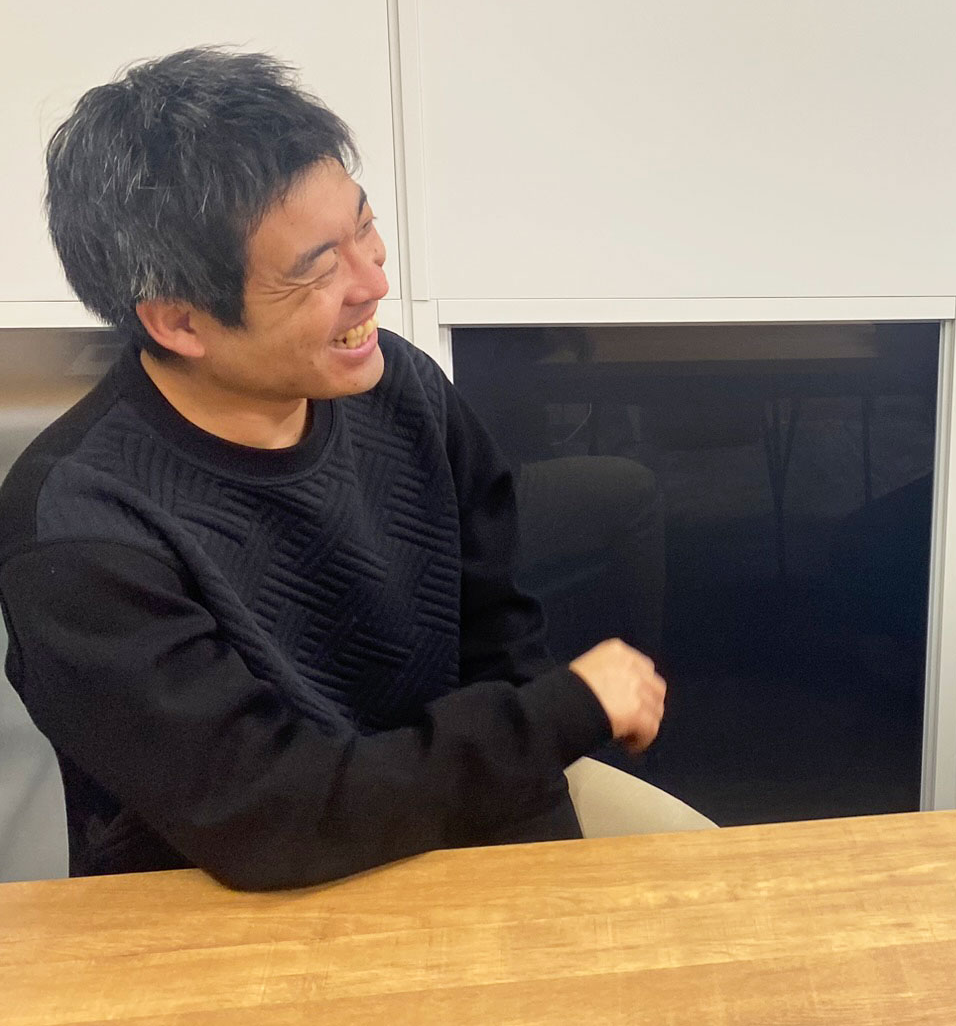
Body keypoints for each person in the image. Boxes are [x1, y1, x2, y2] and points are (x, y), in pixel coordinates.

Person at [0, 48, 705, 891]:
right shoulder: (79, 530)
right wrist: (560, 715)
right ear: (180, 322)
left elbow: (496, 644)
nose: (374, 281)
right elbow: (269, 814)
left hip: (448, 809)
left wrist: (539, 870)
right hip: (231, 892)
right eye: (318, 268)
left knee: (712, 891)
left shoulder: (402, 389)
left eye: (363, 227)